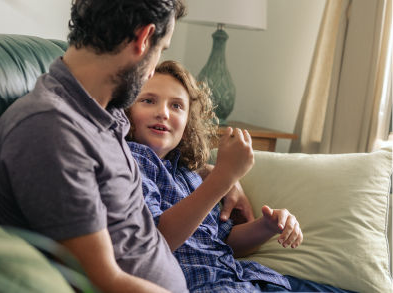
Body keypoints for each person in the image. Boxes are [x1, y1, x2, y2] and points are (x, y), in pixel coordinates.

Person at [0, 1, 254, 292]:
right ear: (143, 39)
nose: (151, 73)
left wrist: (209, 172)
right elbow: (104, 281)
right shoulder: (50, 130)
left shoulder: (101, 115)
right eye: (161, 50)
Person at [126, 60, 353, 293]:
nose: (163, 113)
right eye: (148, 101)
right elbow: (155, 241)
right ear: (126, 112)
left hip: (245, 276)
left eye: (176, 106)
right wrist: (223, 178)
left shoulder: (187, 174)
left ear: (187, 124)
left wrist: (267, 226)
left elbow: (223, 241)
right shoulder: (133, 160)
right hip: (211, 285)